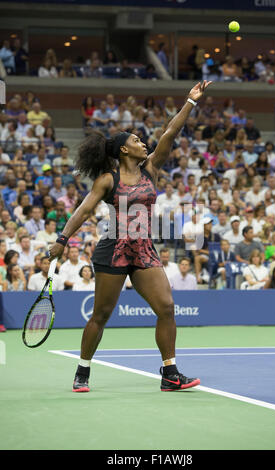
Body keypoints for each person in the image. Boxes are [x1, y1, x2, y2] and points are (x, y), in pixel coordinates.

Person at [49, 80, 212, 393]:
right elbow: (82, 212)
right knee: (101, 315)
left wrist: (190, 102)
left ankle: (170, 373)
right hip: (114, 250)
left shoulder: (151, 168)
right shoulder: (107, 180)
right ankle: (82, 371)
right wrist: (61, 239)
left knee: (166, 307)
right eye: (137, 140)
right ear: (124, 149)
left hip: (144, 250)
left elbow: (169, 133)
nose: (143, 143)